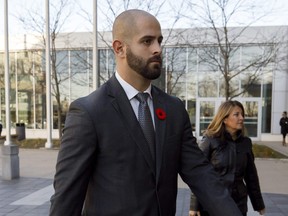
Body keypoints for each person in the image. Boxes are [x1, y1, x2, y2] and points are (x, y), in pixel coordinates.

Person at [49, 9, 243, 216]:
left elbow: (199, 172)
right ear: (120, 48)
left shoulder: (174, 109)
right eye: (147, 41)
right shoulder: (89, 112)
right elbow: (67, 197)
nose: (158, 49)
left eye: (159, 41)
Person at [189, 100, 265, 216]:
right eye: (236, 114)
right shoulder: (210, 140)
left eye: (242, 115)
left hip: (238, 203)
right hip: (213, 202)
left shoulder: (246, 143)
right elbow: (199, 174)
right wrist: (194, 206)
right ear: (224, 119)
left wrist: (258, 204)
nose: (241, 118)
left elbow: (251, 176)